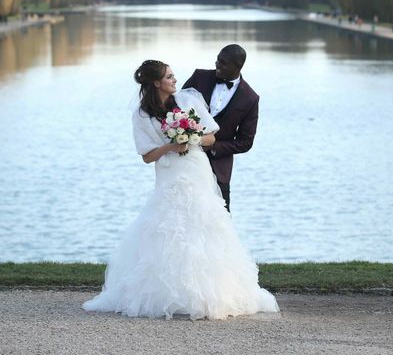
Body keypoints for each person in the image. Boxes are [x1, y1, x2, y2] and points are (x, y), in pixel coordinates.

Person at [83, 60, 279, 320]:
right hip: (169, 174)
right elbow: (147, 156)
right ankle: (167, 293)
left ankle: (210, 292)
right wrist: (172, 146)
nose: (175, 80)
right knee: (168, 226)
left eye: (173, 76)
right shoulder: (142, 115)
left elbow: (212, 136)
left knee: (203, 223)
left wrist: (193, 136)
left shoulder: (188, 101)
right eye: (169, 77)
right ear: (156, 83)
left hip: (196, 169)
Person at [182, 44, 258, 213]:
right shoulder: (199, 77)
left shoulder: (250, 98)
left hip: (218, 169)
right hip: (184, 160)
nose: (217, 64)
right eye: (217, 59)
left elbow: (246, 142)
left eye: (223, 63)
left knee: (221, 220)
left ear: (238, 66)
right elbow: (177, 108)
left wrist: (214, 147)